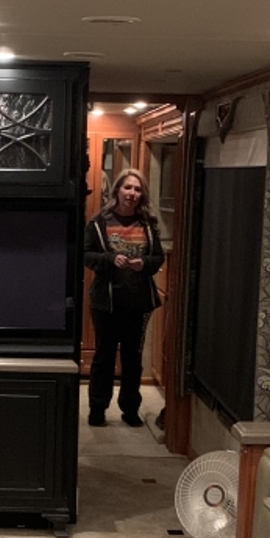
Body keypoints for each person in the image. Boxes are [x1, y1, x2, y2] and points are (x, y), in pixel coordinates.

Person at [84, 167, 164, 426]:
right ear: (117, 190)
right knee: (104, 357)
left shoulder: (148, 224)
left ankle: (130, 409)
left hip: (138, 303)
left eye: (137, 189)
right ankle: (97, 409)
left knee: (132, 360)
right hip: (105, 303)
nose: (132, 193)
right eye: (127, 187)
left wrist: (145, 264)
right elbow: (86, 255)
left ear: (142, 194)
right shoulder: (99, 222)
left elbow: (158, 257)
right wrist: (110, 259)